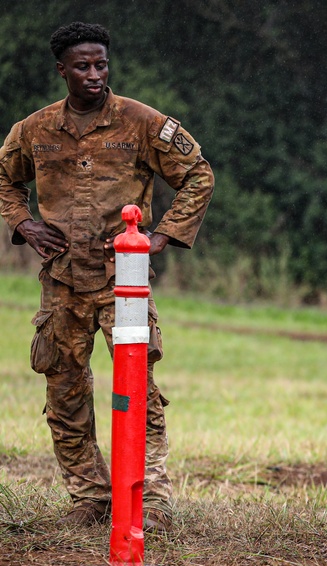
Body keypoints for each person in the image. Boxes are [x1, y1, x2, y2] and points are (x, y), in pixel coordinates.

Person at [0, 22, 214, 532]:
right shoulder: (34, 130)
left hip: (125, 280)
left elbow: (197, 174)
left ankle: (150, 500)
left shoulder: (142, 122)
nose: (94, 74)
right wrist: (23, 222)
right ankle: (90, 496)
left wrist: (163, 235)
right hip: (62, 282)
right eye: (83, 66)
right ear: (62, 70)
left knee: (139, 390)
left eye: (101, 64)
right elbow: (5, 178)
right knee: (64, 392)